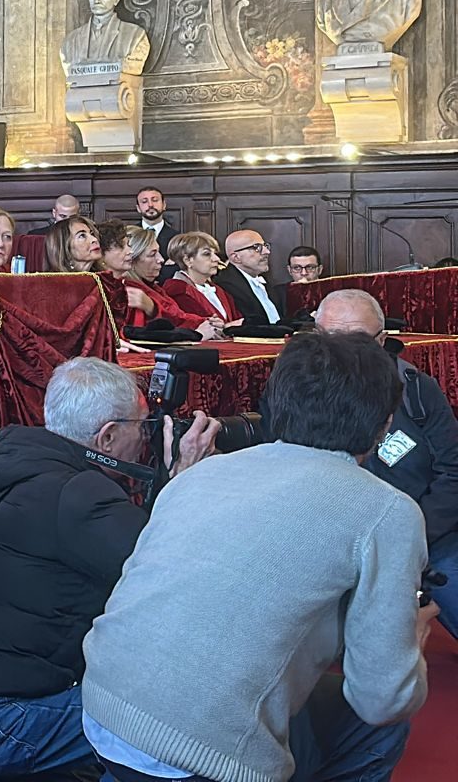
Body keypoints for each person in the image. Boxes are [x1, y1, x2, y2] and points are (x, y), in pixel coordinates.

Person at [81, 332, 432, 782]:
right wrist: (414, 644)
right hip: (201, 757)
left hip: (101, 711)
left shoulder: (201, 472)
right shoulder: (386, 510)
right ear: (385, 424)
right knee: (374, 728)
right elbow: (382, 700)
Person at [0, 357, 220, 782]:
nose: (147, 442)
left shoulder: (27, 468)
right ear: (108, 437)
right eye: (144, 427)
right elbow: (166, 570)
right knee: (170, 723)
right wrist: (186, 480)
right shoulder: (79, 493)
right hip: (2, 718)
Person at [316, 290, 458, 639]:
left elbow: (453, 470)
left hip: (425, 531)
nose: (346, 350)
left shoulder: (416, 389)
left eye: (360, 340)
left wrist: (413, 534)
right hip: (333, 535)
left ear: (382, 340)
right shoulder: (297, 389)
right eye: (334, 338)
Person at [105, 224, 223, 337]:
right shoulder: (128, 290)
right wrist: (196, 333)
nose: (161, 259)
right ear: (133, 259)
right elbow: (139, 334)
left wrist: (206, 322)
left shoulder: (152, 287)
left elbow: (178, 316)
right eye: (152, 255)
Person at [160, 231, 241, 327]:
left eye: (215, 253)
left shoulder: (218, 290)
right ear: (188, 261)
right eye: (207, 254)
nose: (216, 259)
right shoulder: (177, 291)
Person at [215, 228, 285, 326]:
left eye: (265, 246)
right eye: (257, 247)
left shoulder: (265, 282)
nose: (266, 252)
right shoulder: (226, 285)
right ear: (236, 257)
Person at [135, 186, 173, 261]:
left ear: (164, 205)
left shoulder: (176, 238)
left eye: (155, 200)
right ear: (138, 208)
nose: (150, 205)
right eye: (144, 201)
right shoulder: (129, 235)